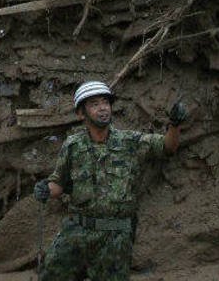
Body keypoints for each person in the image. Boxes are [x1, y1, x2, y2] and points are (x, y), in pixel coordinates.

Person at [33, 80, 187, 280]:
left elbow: (168, 147)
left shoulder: (130, 142)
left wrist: (174, 125)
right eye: (94, 104)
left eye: (105, 102)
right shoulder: (73, 146)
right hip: (77, 231)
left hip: (115, 236)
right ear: (81, 113)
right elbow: (59, 185)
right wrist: (46, 188)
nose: (103, 108)